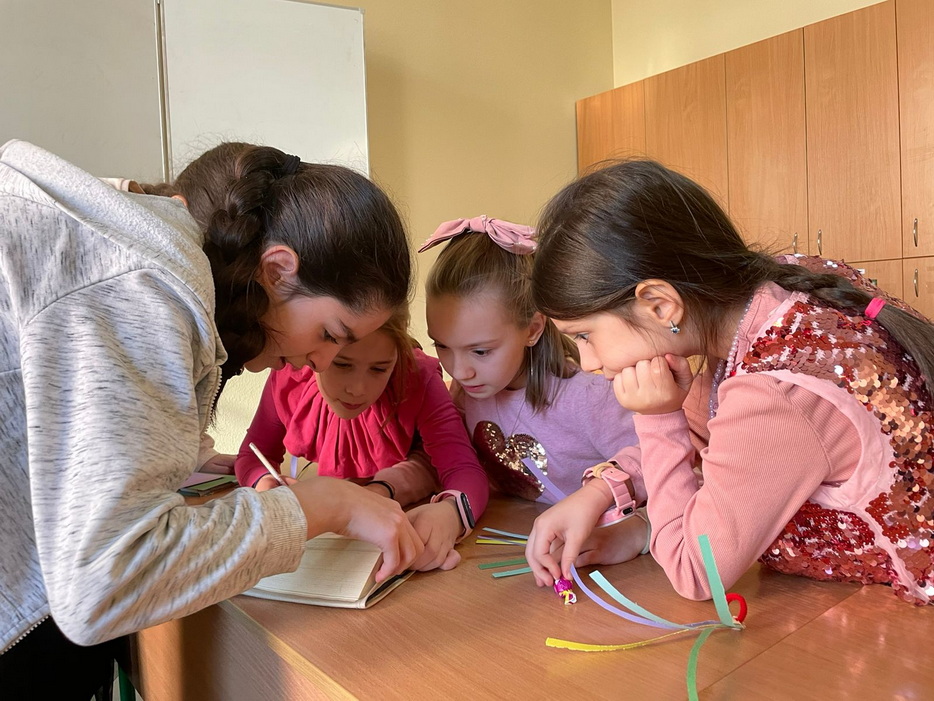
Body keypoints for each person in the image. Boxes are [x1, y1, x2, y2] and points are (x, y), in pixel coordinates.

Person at [0, 139, 423, 696]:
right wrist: (321, 506)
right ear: (278, 270)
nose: (319, 362)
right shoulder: (144, 282)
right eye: (329, 334)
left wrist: (179, 452)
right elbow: (105, 582)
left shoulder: (117, 236)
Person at [526, 159, 934, 605]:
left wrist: (657, 418)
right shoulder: (769, 299)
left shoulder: (775, 389)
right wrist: (603, 492)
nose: (587, 362)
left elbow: (695, 571)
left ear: (660, 305)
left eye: (584, 336)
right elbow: (705, 436)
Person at [422, 216, 648, 567]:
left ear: (532, 329)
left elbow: (661, 463)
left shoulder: (590, 397)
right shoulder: (468, 392)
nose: (460, 370)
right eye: (442, 346)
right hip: (524, 545)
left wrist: (633, 524)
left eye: (480, 351)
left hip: (615, 559)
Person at [235, 306, 489, 570]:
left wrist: (451, 512)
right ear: (316, 354)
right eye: (342, 364)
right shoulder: (290, 375)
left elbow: (463, 467)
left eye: (379, 369)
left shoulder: (417, 376)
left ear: (397, 356)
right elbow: (253, 455)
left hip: (402, 510)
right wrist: (264, 482)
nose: (357, 389)